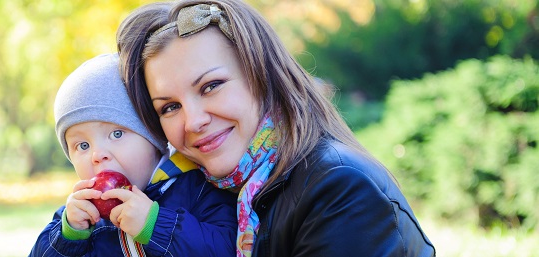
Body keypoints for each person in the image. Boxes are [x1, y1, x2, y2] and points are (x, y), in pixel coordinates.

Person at [116, 0, 436, 256]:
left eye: (211, 86)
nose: (193, 120)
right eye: (169, 107)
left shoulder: (338, 188)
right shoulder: (207, 193)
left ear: (263, 77)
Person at [29, 53, 238, 256]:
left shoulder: (197, 189)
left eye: (116, 133)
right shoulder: (79, 217)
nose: (97, 154)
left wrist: (155, 226)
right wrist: (68, 238)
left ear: (153, 137)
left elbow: (229, 248)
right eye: (82, 145)